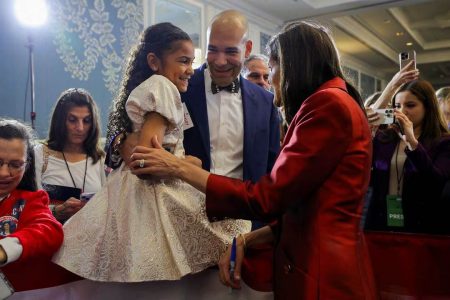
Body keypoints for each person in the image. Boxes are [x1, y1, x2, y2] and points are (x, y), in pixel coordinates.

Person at [129, 20, 377, 299]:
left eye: (272, 68)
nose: (270, 79)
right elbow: (304, 204)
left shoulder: (327, 105)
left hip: (321, 275)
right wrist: (247, 239)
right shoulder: (333, 101)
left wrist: (178, 167)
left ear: (293, 65)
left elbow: (269, 196)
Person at [53, 22, 250, 286]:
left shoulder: (164, 85)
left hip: (149, 194)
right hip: (158, 193)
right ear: (154, 61)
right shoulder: (164, 87)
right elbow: (145, 158)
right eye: (183, 61)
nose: (190, 69)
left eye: (191, 61)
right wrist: (189, 163)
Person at [365, 79, 450, 234]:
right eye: (397, 106)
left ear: (428, 107)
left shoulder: (443, 142)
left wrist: (412, 143)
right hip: (381, 222)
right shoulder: (384, 138)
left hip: (422, 225)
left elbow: (436, 183)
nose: (402, 111)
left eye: (410, 105)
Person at [0, 118, 63, 290]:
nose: (4, 173)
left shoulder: (32, 200)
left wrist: (5, 250)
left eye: (15, 165)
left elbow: (49, 229)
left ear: (27, 165)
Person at [34, 88, 106, 223]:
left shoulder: (99, 159)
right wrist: (56, 211)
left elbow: (108, 206)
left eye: (87, 120)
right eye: (72, 120)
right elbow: (26, 207)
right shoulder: (41, 155)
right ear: (60, 121)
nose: (80, 128)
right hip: (51, 235)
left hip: (90, 237)